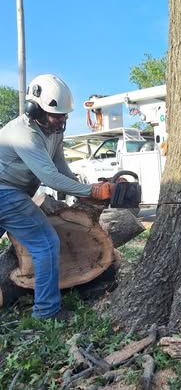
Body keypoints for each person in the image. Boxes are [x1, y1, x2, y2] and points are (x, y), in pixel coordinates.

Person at [0, 74, 113, 320]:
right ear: (34, 110)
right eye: (56, 115)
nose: (61, 120)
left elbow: (59, 164)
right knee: (46, 243)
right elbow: (49, 177)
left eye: (64, 115)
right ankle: (47, 312)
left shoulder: (53, 131)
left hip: (11, 191)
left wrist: (81, 189)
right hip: (5, 192)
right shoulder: (23, 134)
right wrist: (92, 191)